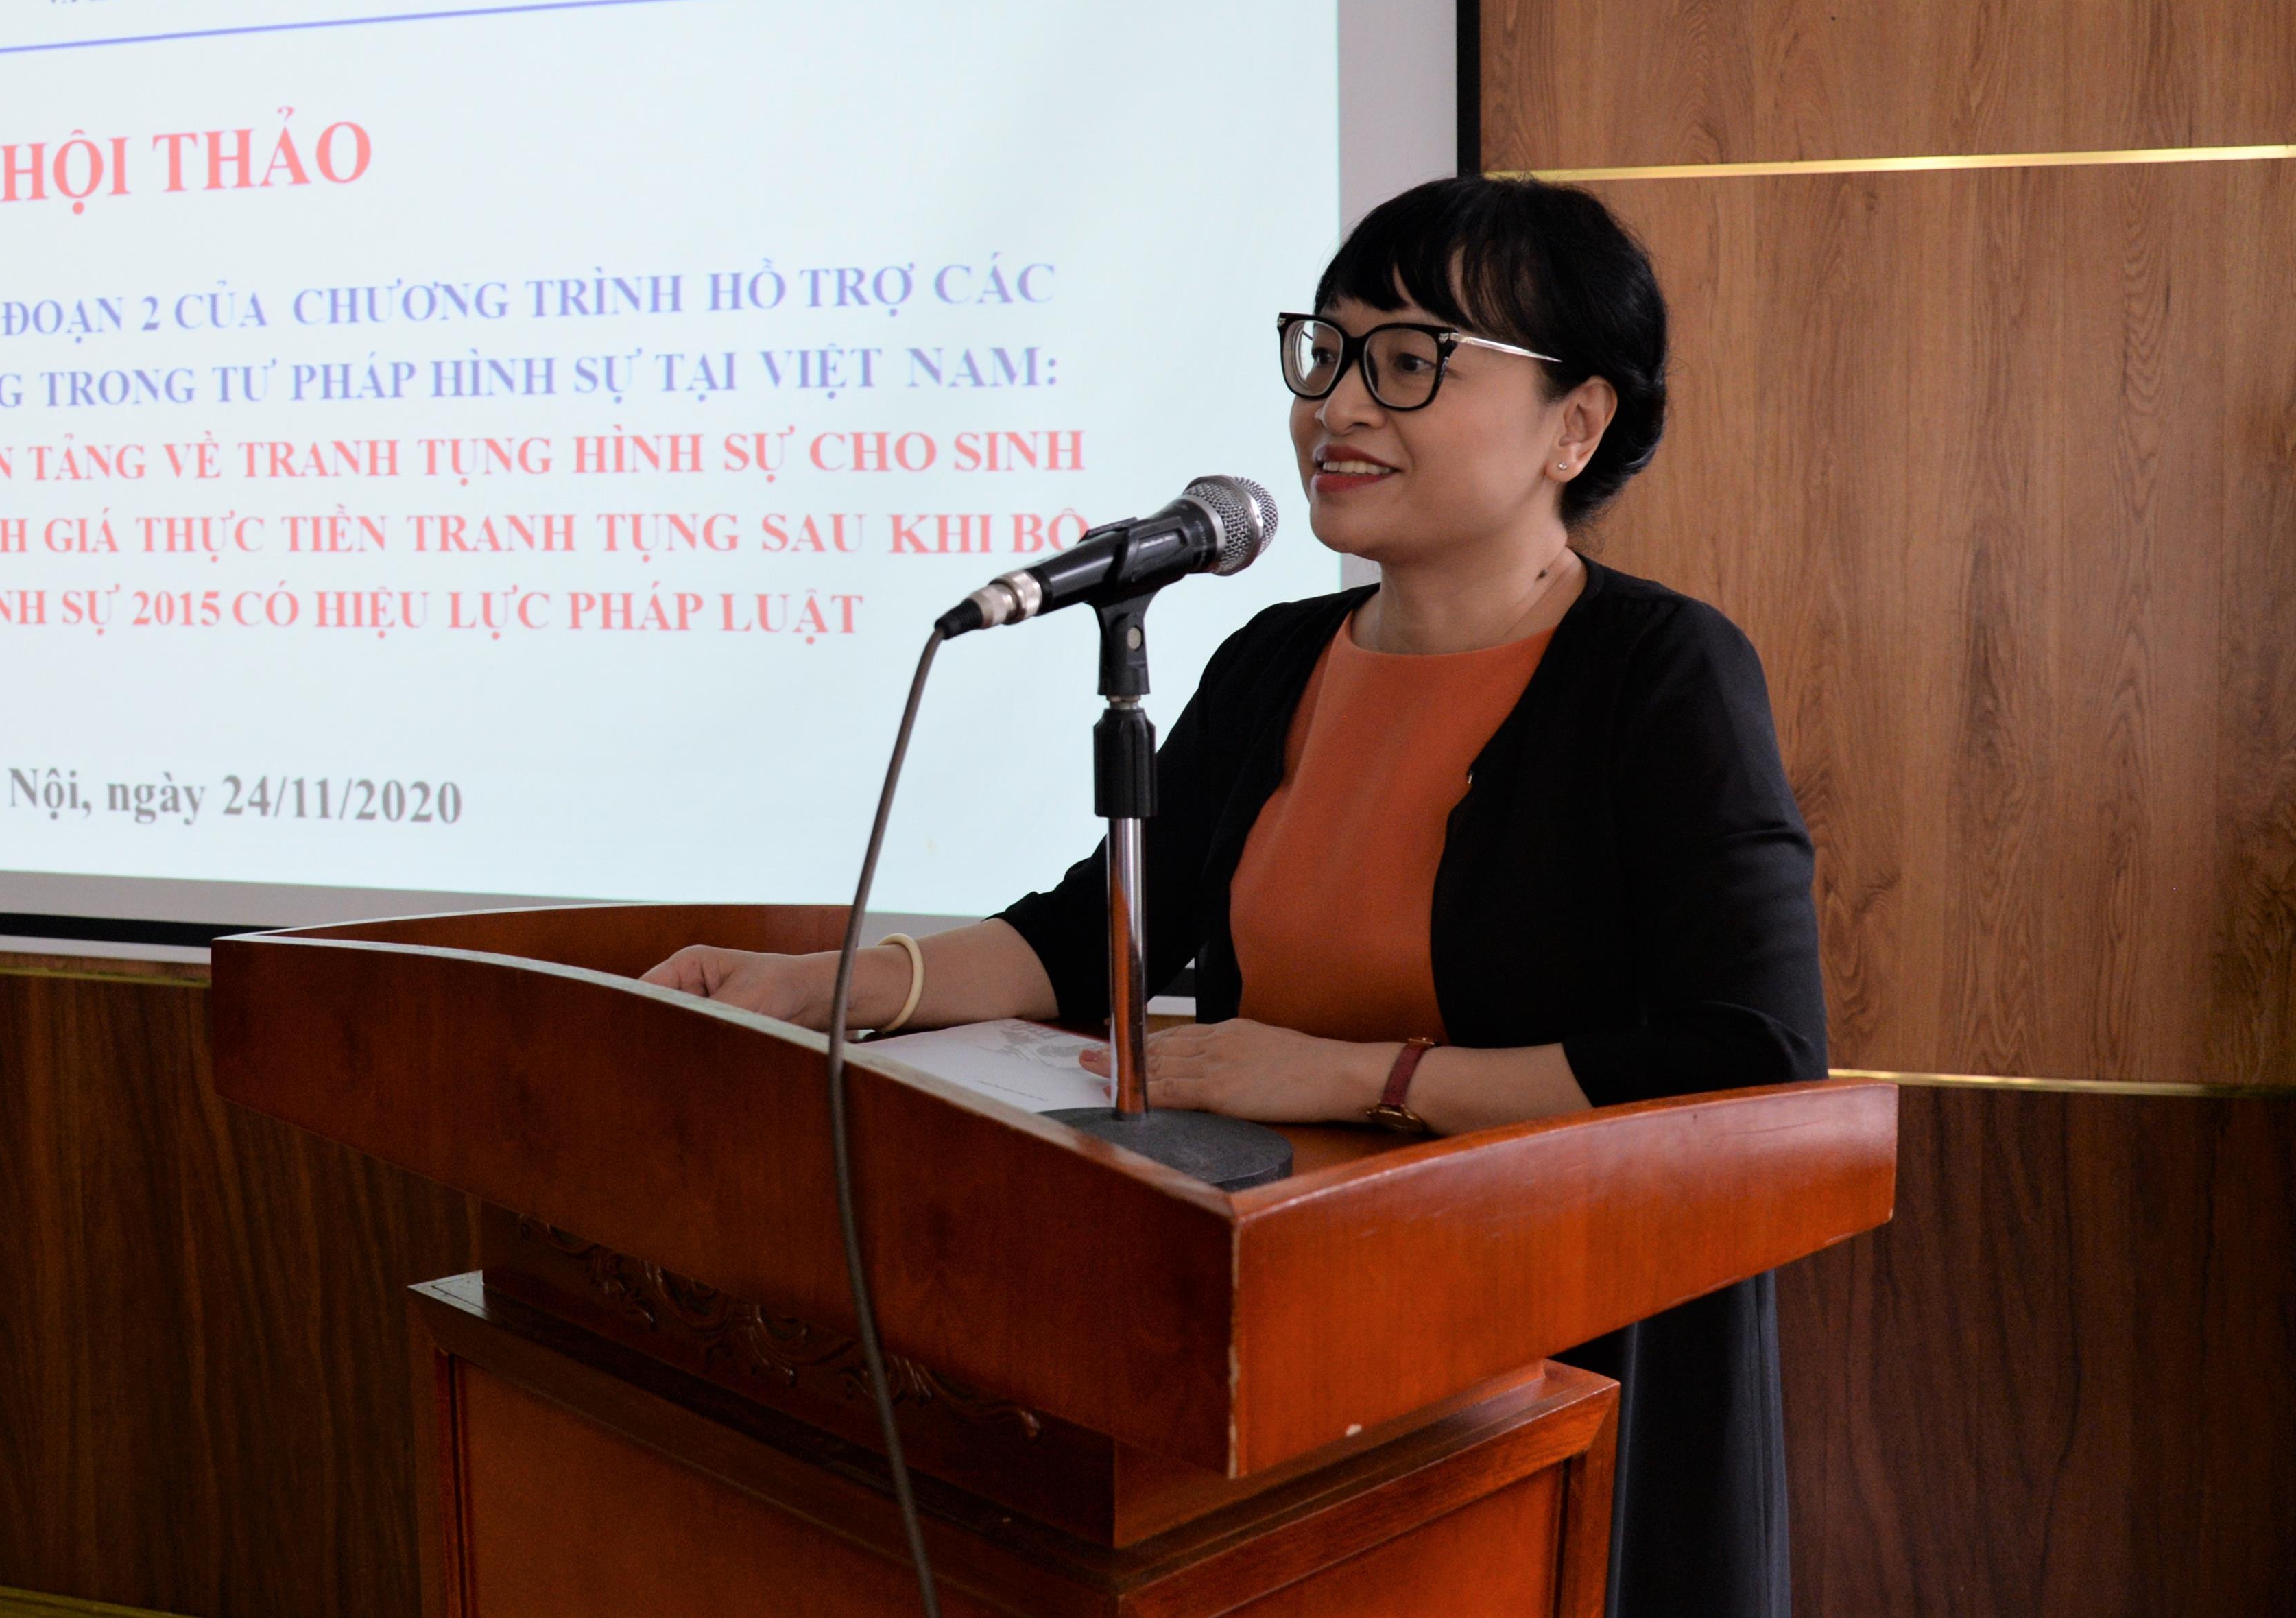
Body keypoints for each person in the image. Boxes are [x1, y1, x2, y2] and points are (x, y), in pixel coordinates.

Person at [641, 176, 1828, 1618]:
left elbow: (1751, 1057)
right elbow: (1092, 936)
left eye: (1410, 359)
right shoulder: (1276, 657)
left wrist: (1356, 1076)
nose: (1339, 404)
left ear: (1573, 424)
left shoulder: (1661, 672)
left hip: (1560, 1354)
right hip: (1298, 1338)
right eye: (1324, 352)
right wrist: (822, 985)